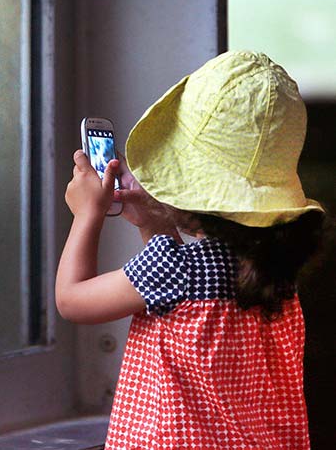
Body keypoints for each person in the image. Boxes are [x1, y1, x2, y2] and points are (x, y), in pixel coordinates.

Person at [55, 51, 324, 449]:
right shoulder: (276, 275)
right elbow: (181, 310)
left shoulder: (174, 269)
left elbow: (72, 301)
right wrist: (153, 224)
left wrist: (87, 214)